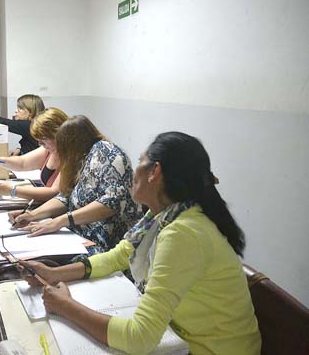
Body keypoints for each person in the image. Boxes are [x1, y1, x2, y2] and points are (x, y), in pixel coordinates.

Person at [18, 131, 261, 354]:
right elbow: (119, 256)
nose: (133, 171)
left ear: (154, 172)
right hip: (183, 338)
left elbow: (139, 338)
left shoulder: (183, 233)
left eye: (140, 162)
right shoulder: (162, 214)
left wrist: (66, 307)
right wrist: (54, 274)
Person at [11, 116, 141, 255]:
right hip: (80, 235)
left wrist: (60, 221)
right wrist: (32, 215)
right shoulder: (83, 158)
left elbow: (111, 203)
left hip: (107, 243)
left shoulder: (106, 153)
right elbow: (66, 196)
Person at [0, 107, 68, 202]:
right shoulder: (49, 150)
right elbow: (23, 163)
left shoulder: (70, 157)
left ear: (57, 134)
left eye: (43, 139)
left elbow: (53, 192)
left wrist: (13, 190)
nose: (40, 144)